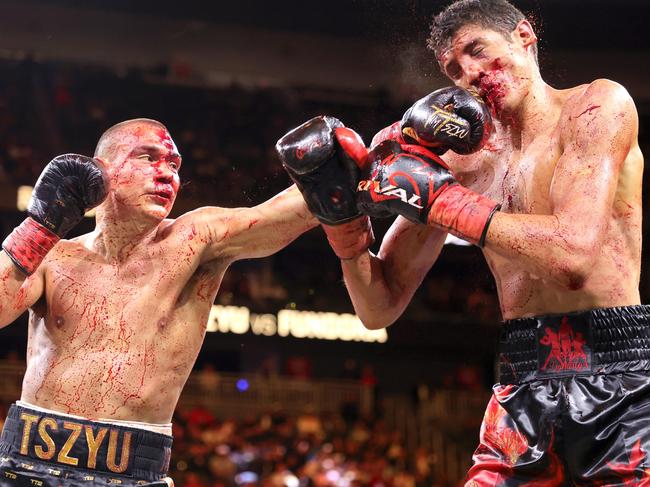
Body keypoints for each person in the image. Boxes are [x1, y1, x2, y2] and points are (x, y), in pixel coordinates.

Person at [279, 0, 646, 484]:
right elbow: (378, 307)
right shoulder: (460, 164)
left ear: (523, 35)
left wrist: (441, 200)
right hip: (520, 384)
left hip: (619, 382)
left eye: (477, 51)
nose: (469, 73)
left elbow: (571, 255)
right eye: (454, 68)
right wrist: (342, 222)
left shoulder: (596, 106)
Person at [0, 118, 329, 486]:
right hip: (27, 463)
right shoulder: (54, 256)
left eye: (173, 165)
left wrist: (346, 168)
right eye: (148, 158)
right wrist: (36, 228)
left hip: (133, 471)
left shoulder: (195, 240)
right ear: (101, 169)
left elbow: (277, 218)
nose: (166, 175)